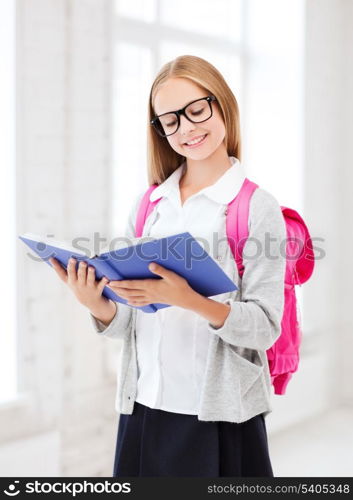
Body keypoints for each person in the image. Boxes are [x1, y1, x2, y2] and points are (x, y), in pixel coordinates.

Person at [49, 55, 286, 477]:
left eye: (196, 110)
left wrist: (188, 299)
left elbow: (265, 327)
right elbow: (131, 320)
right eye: (170, 121)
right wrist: (97, 303)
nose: (187, 128)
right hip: (145, 409)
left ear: (223, 103)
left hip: (220, 417)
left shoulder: (254, 207)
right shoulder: (150, 206)